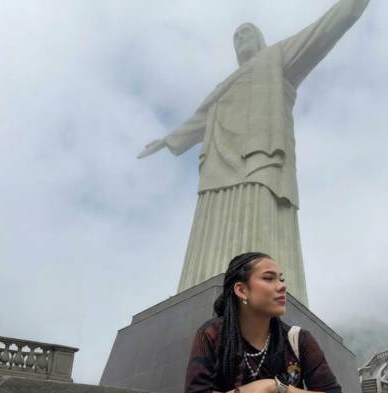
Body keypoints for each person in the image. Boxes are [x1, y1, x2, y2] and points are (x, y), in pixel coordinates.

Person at [138, 0, 371, 306]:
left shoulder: (277, 59)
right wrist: (167, 140)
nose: (240, 40)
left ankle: (260, 288)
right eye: (235, 38)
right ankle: (201, 289)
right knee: (211, 232)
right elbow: (200, 119)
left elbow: (324, 30)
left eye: (246, 33)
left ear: (260, 39)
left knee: (259, 223)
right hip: (218, 165)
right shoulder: (225, 85)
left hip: (261, 159)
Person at [184, 252, 341, 393]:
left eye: (281, 279)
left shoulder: (299, 340)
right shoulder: (211, 335)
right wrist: (254, 389)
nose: (282, 286)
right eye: (268, 278)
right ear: (241, 290)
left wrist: (277, 388)